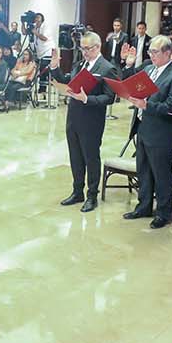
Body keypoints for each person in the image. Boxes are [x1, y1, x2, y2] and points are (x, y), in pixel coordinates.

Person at [122, 35, 172, 228]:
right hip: (143, 128)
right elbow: (132, 85)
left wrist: (147, 105)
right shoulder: (149, 69)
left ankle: (163, 213)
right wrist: (129, 67)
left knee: (161, 174)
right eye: (150, 51)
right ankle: (144, 206)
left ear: (168, 52)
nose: (151, 55)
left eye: (155, 52)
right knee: (143, 170)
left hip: (161, 132)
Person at [52, 32, 119, 213]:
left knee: (91, 157)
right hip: (73, 117)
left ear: (97, 47)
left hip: (91, 120)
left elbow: (109, 97)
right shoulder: (80, 64)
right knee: (75, 156)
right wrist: (55, 68)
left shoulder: (107, 68)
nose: (84, 52)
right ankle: (77, 191)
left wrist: (87, 99)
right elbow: (67, 81)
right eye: (82, 48)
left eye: (87, 49)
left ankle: (92, 195)